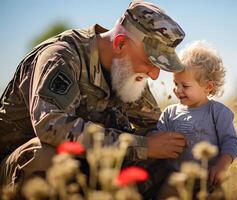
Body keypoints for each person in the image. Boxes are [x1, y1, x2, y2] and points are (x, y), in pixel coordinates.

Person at [0, 1, 187, 197]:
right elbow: (51, 127)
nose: (155, 75)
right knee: (47, 156)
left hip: (86, 166)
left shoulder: (128, 72)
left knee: (166, 159)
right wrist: (142, 146)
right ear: (120, 43)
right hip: (15, 171)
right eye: (150, 62)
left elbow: (155, 127)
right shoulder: (60, 57)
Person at [157, 41, 237, 196]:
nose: (178, 90)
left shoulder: (218, 112)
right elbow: (158, 138)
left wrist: (221, 167)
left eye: (185, 86)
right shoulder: (169, 113)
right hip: (176, 179)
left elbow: (231, 141)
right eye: (175, 83)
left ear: (208, 87)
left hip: (209, 179)